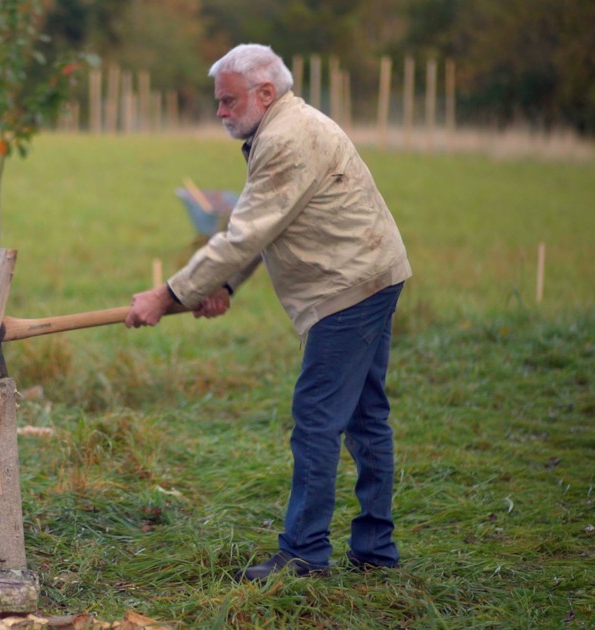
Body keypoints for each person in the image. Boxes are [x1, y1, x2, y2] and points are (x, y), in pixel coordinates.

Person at [125, 43, 412, 579]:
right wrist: (225, 286)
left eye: (229, 101)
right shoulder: (282, 129)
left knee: (317, 422)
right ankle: (375, 550)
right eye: (220, 102)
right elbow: (266, 227)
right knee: (366, 417)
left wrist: (167, 295)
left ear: (264, 92)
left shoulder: (286, 139)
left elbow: (244, 233)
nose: (221, 112)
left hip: (347, 287)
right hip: (374, 273)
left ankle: (304, 555)